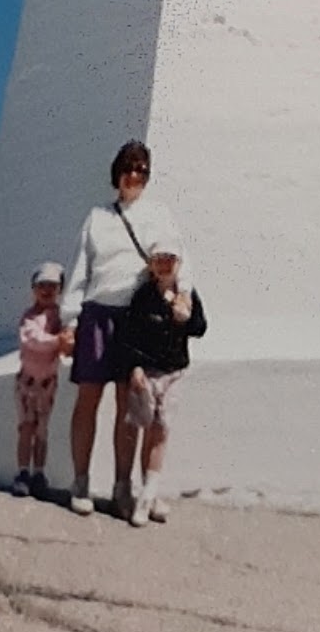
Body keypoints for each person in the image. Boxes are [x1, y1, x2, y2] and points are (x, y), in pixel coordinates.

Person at [61, 140, 191, 519]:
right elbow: (81, 269)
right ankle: (80, 482)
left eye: (141, 170)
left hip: (136, 318)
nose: (134, 175)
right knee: (88, 398)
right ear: (116, 172)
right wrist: (70, 321)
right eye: (128, 168)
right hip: (97, 314)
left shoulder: (159, 214)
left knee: (129, 405)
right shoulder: (98, 217)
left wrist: (184, 294)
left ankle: (123, 487)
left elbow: (179, 257)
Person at [118, 240, 207, 526]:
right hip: (147, 373)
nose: (165, 265)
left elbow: (200, 328)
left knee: (160, 432)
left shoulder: (186, 294)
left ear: (179, 264)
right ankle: (135, 490)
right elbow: (130, 334)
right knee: (140, 426)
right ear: (151, 265)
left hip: (173, 373)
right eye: (159, 260)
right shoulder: (143, 296)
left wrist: (186, 315)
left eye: (171, 260)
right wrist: (134, 367)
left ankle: (148, 496)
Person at [13, 261, 72, 498]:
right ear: (33, 289)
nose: (47, 290)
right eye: (42, 285)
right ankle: (22, 472)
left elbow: (69, 339)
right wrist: (58, 341)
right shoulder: (29, 317)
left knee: (42, 430)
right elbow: (33, 340)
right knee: (26, 427)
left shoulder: (61, 317)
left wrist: (68, 340)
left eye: (53, 286)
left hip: (48, 382)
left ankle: (39, 473)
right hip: (27, 382)